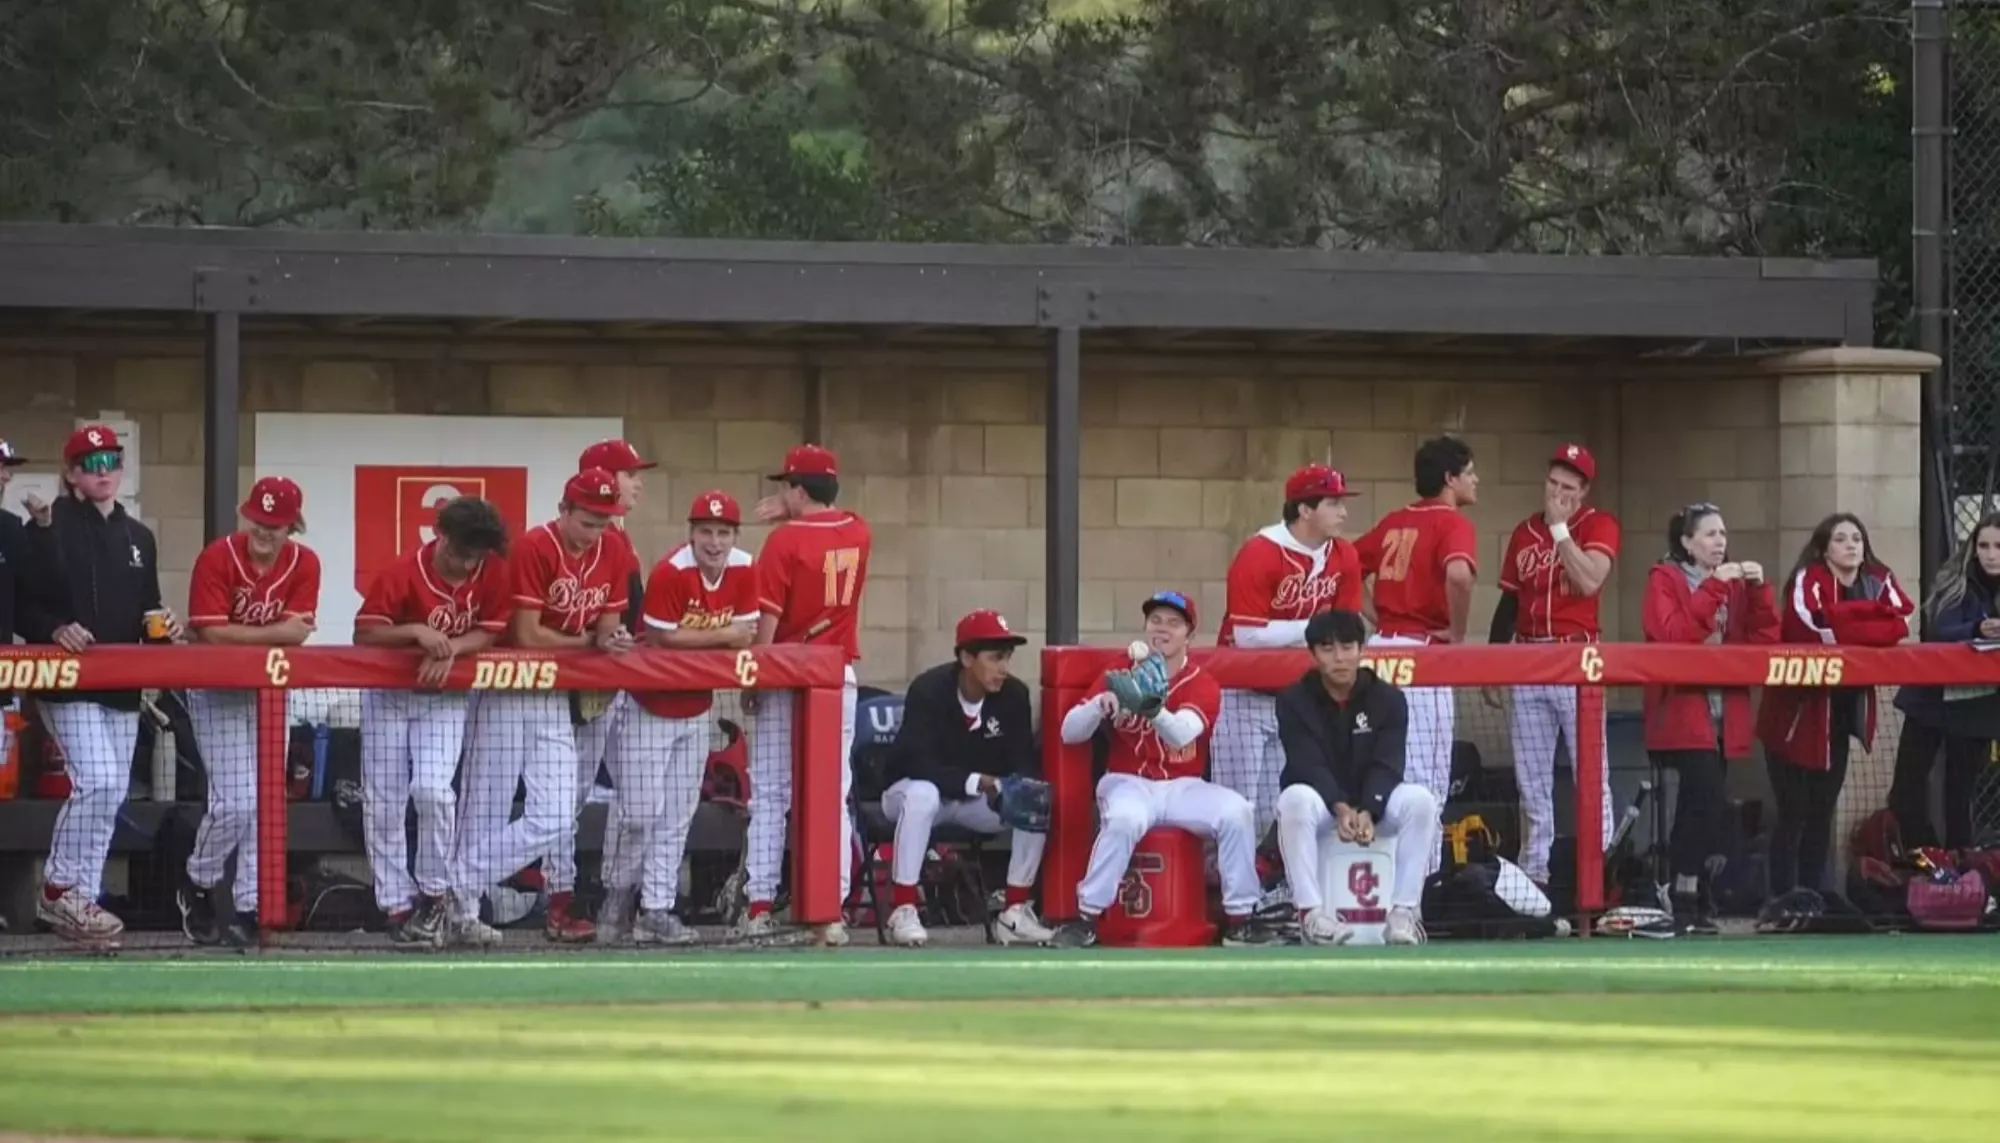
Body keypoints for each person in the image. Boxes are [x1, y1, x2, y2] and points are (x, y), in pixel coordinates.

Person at [446, 468, 639, 947]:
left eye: (604, 521)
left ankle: (453, 885)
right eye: (588, 520)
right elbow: (528, 634)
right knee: (484, 808)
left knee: (555, 815)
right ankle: (462, 914)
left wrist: (611, 639)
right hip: (507, 684)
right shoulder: (535, 545)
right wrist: (589, 642)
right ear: (563, 510)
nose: (595, 531)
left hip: (554, 692)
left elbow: (608, 625)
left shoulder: (614, 550)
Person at [12, 425, 180, 949]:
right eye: (91, 462)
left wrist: (164, 627)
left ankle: (81, 903)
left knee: (111, 795)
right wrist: (54, 628)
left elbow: (148, 608)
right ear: (71, 473)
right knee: (100, 781)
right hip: (67, 682)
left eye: (111, 460)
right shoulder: (48, 526)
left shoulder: (140, 537)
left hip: (122, 685)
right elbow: (22, 606)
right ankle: (59, 888)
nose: (103, 471)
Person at [1048, 591, 1279, 949]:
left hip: (1183, 786)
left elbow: (1182, 733)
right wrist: (1098, 705)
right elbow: (1069, 732)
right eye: (1156, 620)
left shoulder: (1202, 683)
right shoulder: (1120, 672)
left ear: (1189, 635)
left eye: (1173, 623)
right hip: (1127, 781)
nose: (1163, 629)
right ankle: (1087, 918)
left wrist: (1151, 708)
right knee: (1124, 820)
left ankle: (1241, 919)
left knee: (1237, 812)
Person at [597, 490, 760, 947]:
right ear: (691, 534)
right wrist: (724, 633)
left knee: (676, 816)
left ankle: (656, 909)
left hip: (696, 709)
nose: (714, 542)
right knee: (638, 814)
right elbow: (662, 637)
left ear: (735, 536)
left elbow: (748, 635)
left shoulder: (745, 567)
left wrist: (722, 636)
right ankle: (616, 893)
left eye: (723, 532)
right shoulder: (672, 570)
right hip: (648, 706)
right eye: (705, 531)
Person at [353, 496, 512, 946]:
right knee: (384, 804)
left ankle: (433, 895)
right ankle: (396, 905)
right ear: (441, 535)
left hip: (444, 698)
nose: (466, 564)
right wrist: (415, 632)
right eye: (460, 552)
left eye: (474, 556)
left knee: (433, 791)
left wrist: (451, 648)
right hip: (389, 696)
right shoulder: (403, 571)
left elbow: (491, 630)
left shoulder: (492, 571)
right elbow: (364, 632)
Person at [179, 476, 322, 948]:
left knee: (266, 803)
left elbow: (297, 635)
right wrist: (275, 632)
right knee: (237, 802)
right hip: (216, 688)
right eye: (258, 520)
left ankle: (250, 904)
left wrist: (249, 634)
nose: (263, 530)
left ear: (292, 526)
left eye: (274, 524)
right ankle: (199, 881)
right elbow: (211, 633)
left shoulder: (306, 563)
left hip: (269, 692)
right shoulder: (217, 556)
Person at [741, 444, 871, 946]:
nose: (780, 494)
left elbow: (767, 626)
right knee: (831, 795)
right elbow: (834, 517)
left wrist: (754, 682)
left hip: (787, 676)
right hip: (838, 677)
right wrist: (794, 506)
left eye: (787, 486)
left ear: (799, 490)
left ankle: (759, 906)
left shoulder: (783, 541)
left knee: (771, 793)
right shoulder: (860, 530)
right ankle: (830, 912)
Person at [1484, 444, 1620, 889]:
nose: (1558, 493)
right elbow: (1510, 601)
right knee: (1532, 780)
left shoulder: (1598, 524)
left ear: (1583, 492)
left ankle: (1598, 871)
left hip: (1578, 658)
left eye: (1569, 487)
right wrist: (1493, 662)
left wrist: (1561, 531)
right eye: (1553, 483)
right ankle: (1535, 874)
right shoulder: (1524, 532)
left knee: (1591, 776)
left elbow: (1589, 580)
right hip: (1529, 658)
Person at [1757, 513, 1914, 895]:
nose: (1851, 545)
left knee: (1821, 813)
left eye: (1856, 538)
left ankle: (1813, 895)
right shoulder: (1807, 579)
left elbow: (1900, 623)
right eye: (1841, 539)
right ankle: (1782, 897)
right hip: (1794, 719)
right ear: (1824, 548)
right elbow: (1810, 629)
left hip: (1840, 719)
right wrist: (1868, 622)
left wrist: (1843, 619)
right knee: (1793, 813)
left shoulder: (1878, 579)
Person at [1640, 503, 1779, 934]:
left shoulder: (1732, 584)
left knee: (1702, 805)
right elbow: (1673, 635)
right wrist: (1715, 587)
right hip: (1681, 713)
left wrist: (1759, 592)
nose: (1720, 541)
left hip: (1723, 713)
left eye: (1723, 533)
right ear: (1687, 542)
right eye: (1709, 534)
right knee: (1707, 799)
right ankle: (1682, 890)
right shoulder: (1664, 579)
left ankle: (1691, 894)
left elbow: (1764, 638)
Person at [880, 609, 1054, 948]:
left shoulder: (1014, 695)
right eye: (995, 658)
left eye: (1007, 658)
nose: (1004, 668)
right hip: (908, 794)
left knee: (1033, 800)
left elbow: (1022, 761)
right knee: (923, 795)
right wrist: (977, 781)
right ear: (966, 658)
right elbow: (918, 763)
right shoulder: (929, 689)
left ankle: (1014, 913)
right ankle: (903, 908)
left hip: (973, 802)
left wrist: (1013, 787)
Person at [1273, 609, 1439, 946]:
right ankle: (1311, 915)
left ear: (1362, 649)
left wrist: (1369, 809)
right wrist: (1340, 807)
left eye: (1347, 647)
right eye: (1327, 648)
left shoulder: (1389, 699)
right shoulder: (1293, 701)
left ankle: (1403, 914)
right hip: (1324, 806)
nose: (1339, 658)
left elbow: (1388, 763)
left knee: (1421, 801)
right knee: (1294, 800)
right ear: (1313, 654)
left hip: (1374, 806)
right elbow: (1306, 763)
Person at [1214, 464, 1363, 838]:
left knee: (1269, 810)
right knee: (1233, 809)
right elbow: (1248, 635)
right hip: (1243, 697)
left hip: (1297, 700)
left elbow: (1347, 627)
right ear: (1305, 509)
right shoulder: (1260, 552)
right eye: (1333, 503)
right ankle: (1222, 877)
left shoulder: (1344, 555)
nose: (1344, 512)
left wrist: (1308, 634)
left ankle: (1254, 874)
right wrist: (1313, 629)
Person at [547, 438, 654, 912]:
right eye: (630, 475)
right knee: (565, 795)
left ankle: (615, 892)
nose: (638, 484)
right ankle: (557, 891)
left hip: (619, 678)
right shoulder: (582, 540)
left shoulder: (619, 538)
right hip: (580, 680)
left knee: (635, 797)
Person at [1355, 436, 1479, 824]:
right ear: (1450, 479)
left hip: (1379, 653)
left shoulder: (1394, 520)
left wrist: (1380, 618)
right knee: (1427, 783)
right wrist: (1457, 633)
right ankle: (1423, 865)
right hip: (1422, 660)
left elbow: (1345, 568)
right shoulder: (1452, 522)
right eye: (1469, 472)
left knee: (1381, 770)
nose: (1476, 480)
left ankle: (1384, 860)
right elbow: (1459, 575)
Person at [1889, 511, 2000, 849]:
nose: (1991, 554)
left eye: (1998, 546)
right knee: (1906, 790)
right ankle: (1924, 856)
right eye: (1983, 545)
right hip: (1931, 701)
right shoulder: (1956, 583)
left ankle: (1961, 864)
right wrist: (1977, 629)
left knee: (1959, 793)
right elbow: (1940, 630)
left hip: (1978, 704)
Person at [1, 439, 26, 776]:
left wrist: (45, 532)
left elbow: (29, 598)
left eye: (7, 469)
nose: (5, 477)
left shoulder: (9, 527)